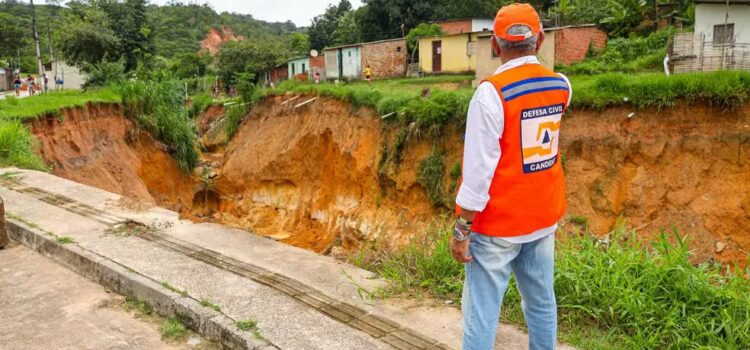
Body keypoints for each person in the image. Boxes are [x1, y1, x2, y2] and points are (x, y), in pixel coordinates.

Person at [451, 4, 572, 350]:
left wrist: (462, 229)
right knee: (541, 303)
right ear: (540, 40)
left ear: (494, 44)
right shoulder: (561, 86)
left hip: (498, 228)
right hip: (542, 220)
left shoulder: (491, 94)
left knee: (482, 312)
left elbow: (477, 174)